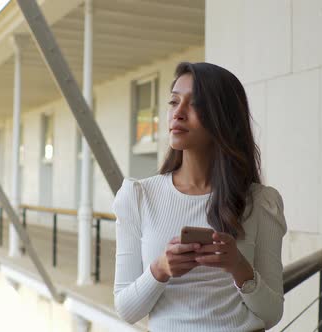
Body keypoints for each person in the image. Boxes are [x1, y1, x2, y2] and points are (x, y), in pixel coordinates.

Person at [112, 62, 287, 332]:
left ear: (224, 117)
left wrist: (237, 265)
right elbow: (126, 308)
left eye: (195, 104)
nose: (178, 113)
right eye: (173, 101)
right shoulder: (139, 197)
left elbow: (272, 313)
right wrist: (161, 269)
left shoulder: (261, 202)